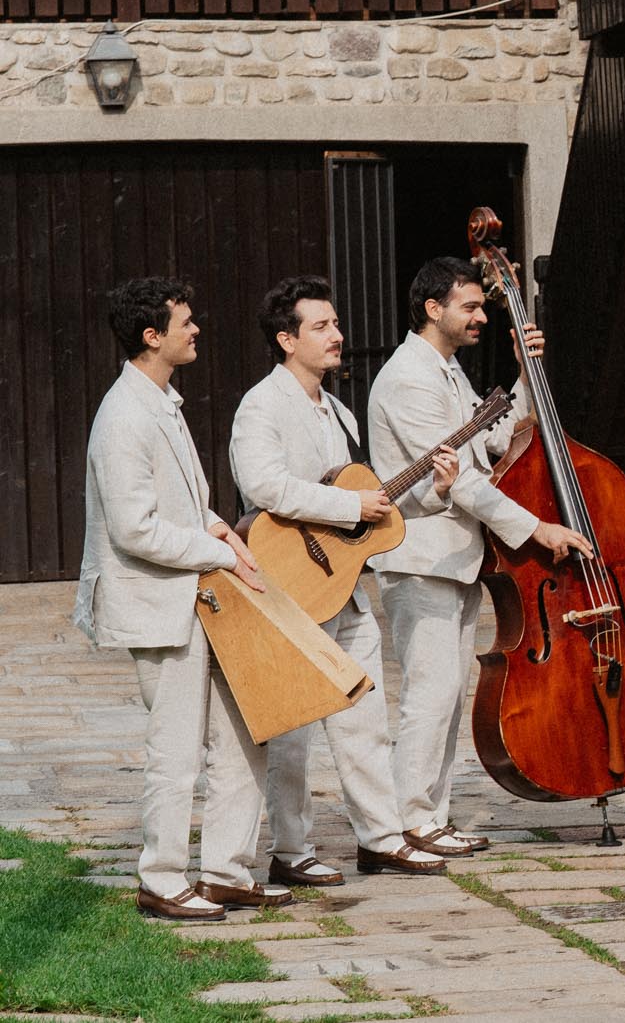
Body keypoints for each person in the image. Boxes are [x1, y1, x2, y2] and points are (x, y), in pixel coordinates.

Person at [368, 257, 593, 858]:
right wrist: (536, 528)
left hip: (457, 556)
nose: (482, 315)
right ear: (432, 309)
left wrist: (524, 377)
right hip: (423, 557)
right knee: (431, 692)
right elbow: (463, 480)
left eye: (482, 304)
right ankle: (408, 820)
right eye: (469, 305)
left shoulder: (445, 371)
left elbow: (495, 438)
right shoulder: (409, 378)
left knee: (448, 691)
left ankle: (429, 816)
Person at [229, 275, 450, 883]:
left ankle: (379, 838)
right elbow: (263, 486)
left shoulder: (340, 409)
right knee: (295, 730)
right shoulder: (261, 405)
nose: (338, 336)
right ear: (286, 339)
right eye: (321, 326)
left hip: (344, 588)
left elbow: (372, 503)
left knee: (366, 719)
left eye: (335, 323)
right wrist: (351, 510)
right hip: (288, 584)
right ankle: (291, 850)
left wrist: (435, 489)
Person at [75, 278, 280, 920]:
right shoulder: (125, 415)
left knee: (246, 734)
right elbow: (134, 529)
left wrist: (216, 522)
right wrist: (220, 551)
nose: (196, 331)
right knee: (174, 748)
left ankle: (225, 870)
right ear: (151, 335)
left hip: (197, 601)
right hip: (160, 606)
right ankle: (161, 879)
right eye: (185, 322)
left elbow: (182, 502)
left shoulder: (162, 402)